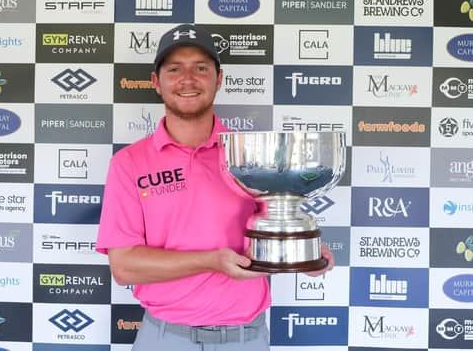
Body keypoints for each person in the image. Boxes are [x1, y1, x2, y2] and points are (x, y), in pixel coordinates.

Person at [96, 24, 335, 350]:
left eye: (201, 68)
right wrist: (210, 261)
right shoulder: (129, 163)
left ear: (219, 79)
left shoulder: (250, 157)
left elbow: (271, 228)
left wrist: (298, 250)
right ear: (156, 82)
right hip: (165, 338)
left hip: (245, 338)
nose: (188, 78)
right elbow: (124, 267)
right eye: (175, 69)